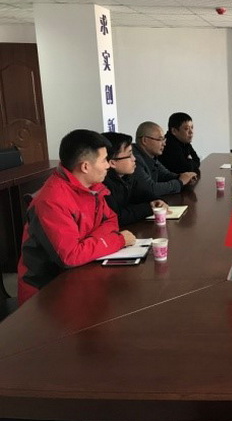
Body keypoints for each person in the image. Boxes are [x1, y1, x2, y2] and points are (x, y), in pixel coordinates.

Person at [17, 129, 136, 304]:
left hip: (81, 272)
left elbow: (110, 219)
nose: (108, 165)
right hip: (45, 295)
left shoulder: (93, 187)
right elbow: (71, 256)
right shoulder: (51, 201)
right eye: (104, 160)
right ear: (85, 166)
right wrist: (117, 240)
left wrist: (87, 244)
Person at [102, 132, 168, 227]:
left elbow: (143, 194)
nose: (134, 159)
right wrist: (149, 207)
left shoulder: (127, 176)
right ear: (112, 163)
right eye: (129, 155)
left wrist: (157, 201)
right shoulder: (103, 185)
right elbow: (117, 217)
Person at [133, 121, 197, 198]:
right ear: (145, 140)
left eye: (164, 140)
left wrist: (183, 177)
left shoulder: (151, 156)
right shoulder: (133, 159)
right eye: (160, 139)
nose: (164, 144)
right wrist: (180, 182)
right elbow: (151, 189)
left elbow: (165, 175)